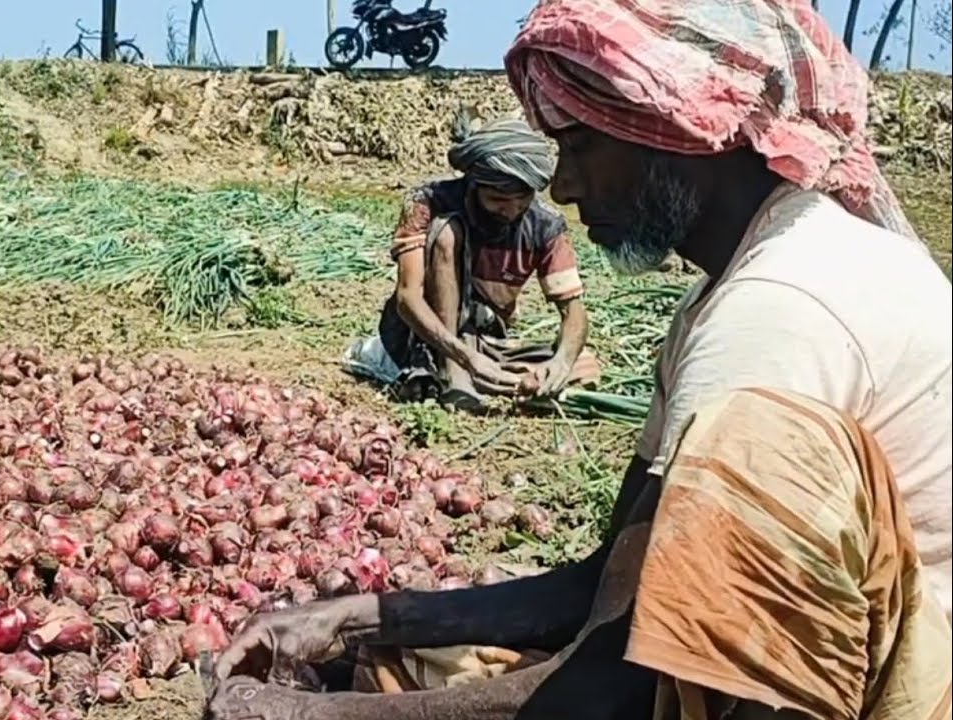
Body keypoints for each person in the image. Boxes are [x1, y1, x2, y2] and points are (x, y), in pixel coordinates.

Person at [206, 1, 953, 718]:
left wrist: (307, 716)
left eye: (582, 146)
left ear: (681, 131)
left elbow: (618, 682)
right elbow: (604, 585)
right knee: (398, 668)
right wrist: (361, 618)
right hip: (838, 657)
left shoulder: (777, 310)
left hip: (898, 693)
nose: (562, 186)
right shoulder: (737, 292)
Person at [342, 116, 598, 409]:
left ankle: (478, 374)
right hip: (424, 336)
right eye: (497, 199)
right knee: (447, 232)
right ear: (474, 185)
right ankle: (450, 373)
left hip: (484, 341)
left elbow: (574, 313)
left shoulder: (546, 225)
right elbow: (407, 297)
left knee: (585, 368)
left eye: (522, 199)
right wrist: (463, 358)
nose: (511, 211)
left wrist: (560, 362)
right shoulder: (428, 202)